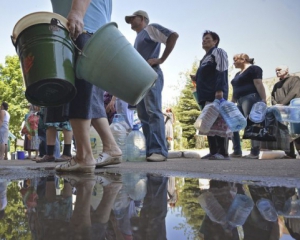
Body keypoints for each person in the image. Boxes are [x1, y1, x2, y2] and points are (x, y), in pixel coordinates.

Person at [51, 0, 122, 173]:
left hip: (81, 28)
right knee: (92, 98)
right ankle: (111, 147)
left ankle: (83, 156)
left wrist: (76, 11)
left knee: (77, 91)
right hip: (98, 33)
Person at [125, 10, 179, 162]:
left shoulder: (150, 29)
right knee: (143, 114)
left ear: (142, 19)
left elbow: (173, 36)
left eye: (132, 18)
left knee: (153, 110)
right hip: (140, 78)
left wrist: (160, 59)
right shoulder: (138, 38)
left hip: (151, 74)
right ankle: (150, 150)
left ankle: (159, 151)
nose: (130, 21)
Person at [193, 30, 229, 160]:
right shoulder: (205, 58)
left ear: (215, 41)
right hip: (205, 95)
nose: (204, 41)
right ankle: (213, 151)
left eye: (207, 39)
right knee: (208, 122)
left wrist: (220, 90)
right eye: (203, 39)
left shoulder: (218, 52)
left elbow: (221, 70)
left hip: (216, 94)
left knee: (219, 121)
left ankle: (223, 152)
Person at [230, 53, 267, 159]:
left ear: (243, 59)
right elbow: (235, 89)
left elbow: (258, 83)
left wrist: (263, 99)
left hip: (251, 97)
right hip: (239, 100)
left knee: (252, 124)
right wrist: (232, 102)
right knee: (233, 122)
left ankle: (254, 152)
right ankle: (237, 150)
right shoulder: (238, 74)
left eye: (235, 59)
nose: (233, 62)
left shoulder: (254, 69)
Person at [271, 65, 300, 158]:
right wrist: (276, 105)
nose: (277, 72)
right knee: (284, 131)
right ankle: (289, 153)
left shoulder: (295, 79)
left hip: (292, 109)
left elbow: (294, 92)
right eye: (276, 70)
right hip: (281, 111)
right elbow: (272, 97)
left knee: (295, 131)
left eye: (279, 70)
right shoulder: (276, 85)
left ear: (286, 70)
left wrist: (282, 104)